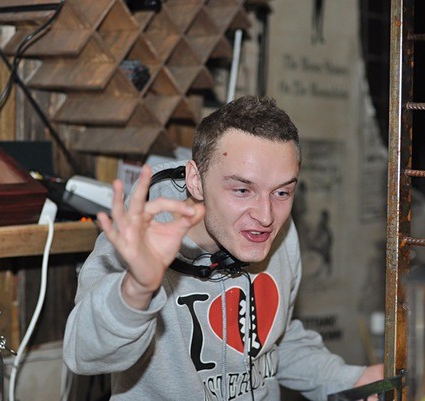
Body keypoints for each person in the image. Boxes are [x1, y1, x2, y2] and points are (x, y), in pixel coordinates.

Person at [63, 96, 383, 400]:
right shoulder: (135, 241)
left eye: (282, 192)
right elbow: (84, 355)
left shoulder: (278, 231)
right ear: (196, 181)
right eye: (242, 190)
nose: (266, 216)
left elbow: (273, 343)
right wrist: (137, 288)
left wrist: (348, 380)